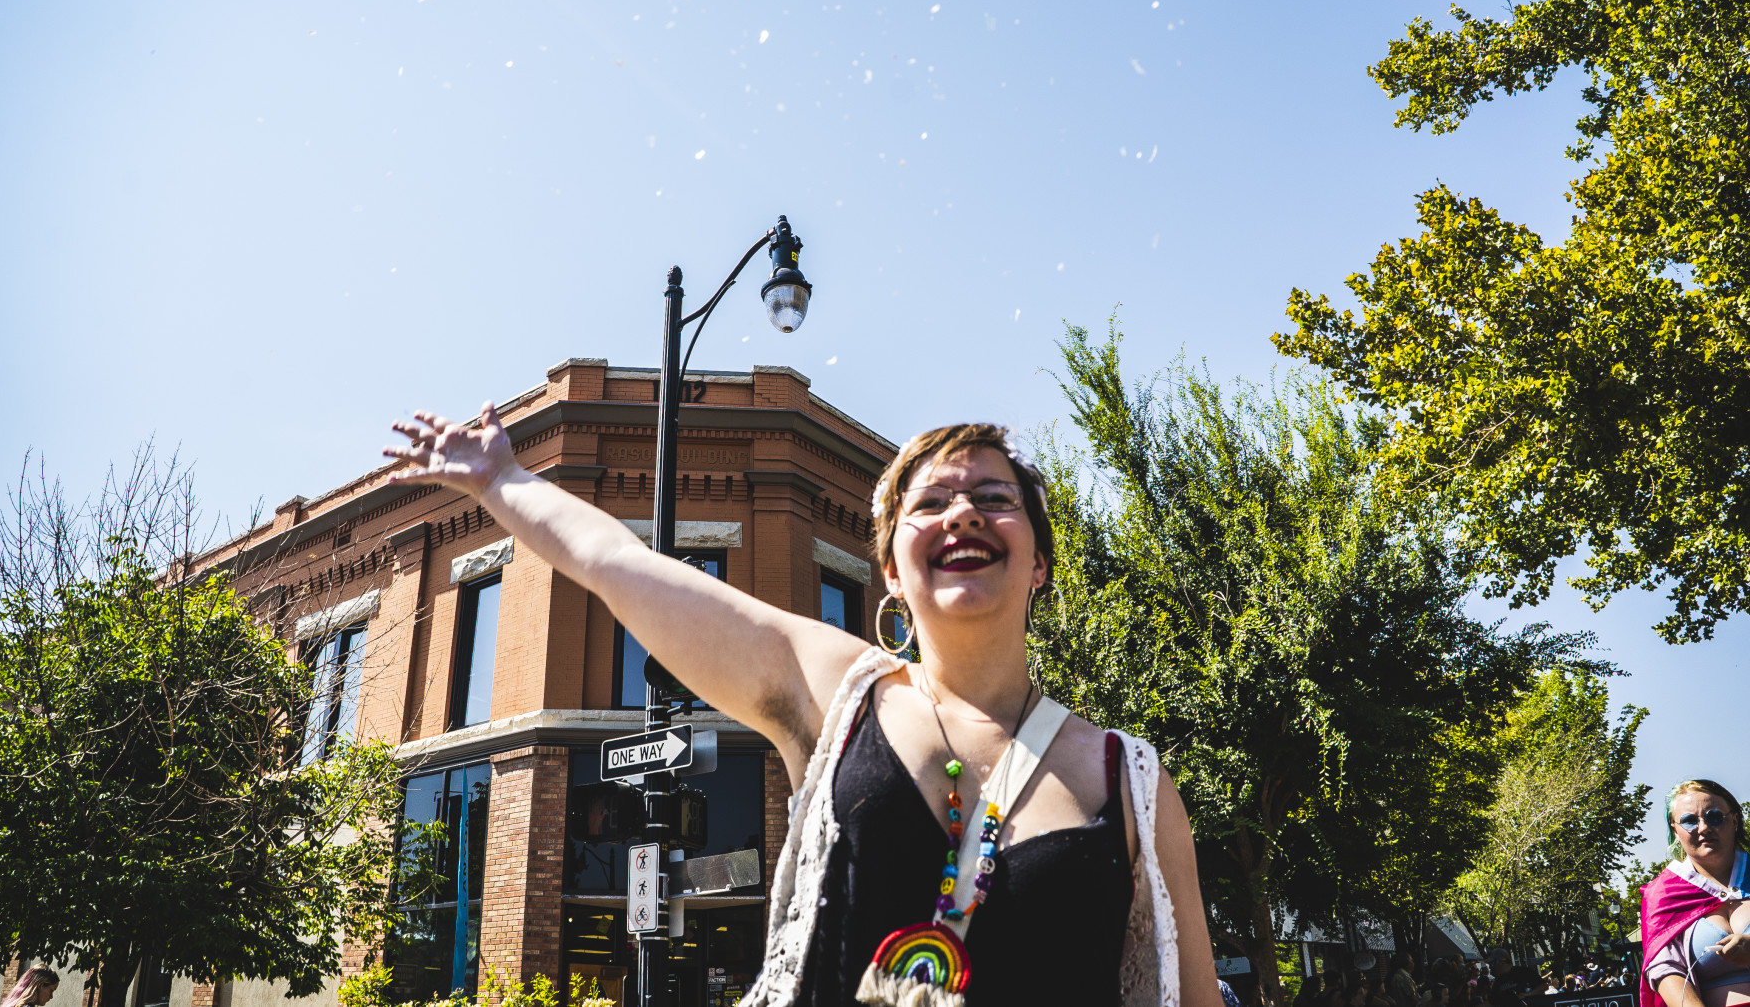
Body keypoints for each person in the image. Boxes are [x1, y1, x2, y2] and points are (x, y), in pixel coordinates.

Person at [385, 411, 1224, 1007]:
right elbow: (615, 561)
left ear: (1039, 560)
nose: (963, 511)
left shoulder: (1131, 781)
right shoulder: (838, 689)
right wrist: (502, 478)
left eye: (995, 499)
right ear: (891, 569)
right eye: (929, 504)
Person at [1641, 779, 1750, 1007]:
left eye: (1714, 817)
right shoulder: (1662, 894)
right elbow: (1664, 969)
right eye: (1689, 821)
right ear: (1676, 830)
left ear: (1735, 820)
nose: (1703, 828)